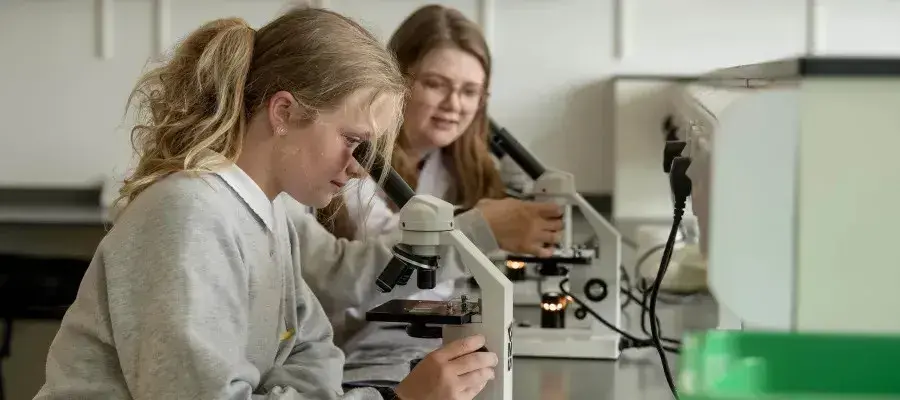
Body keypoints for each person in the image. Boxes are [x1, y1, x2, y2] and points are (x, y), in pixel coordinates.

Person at [34, 8, 499, 400]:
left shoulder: (270, 213)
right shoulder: (188, 215)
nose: (360, 168)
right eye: (354, 141)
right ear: (284, 113)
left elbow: (313, 353)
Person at [304, 3, 563, 385]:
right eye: (436, 84)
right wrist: (481, 228)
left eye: (469, 92)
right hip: (347, 355)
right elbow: (367, 273)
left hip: (411, 344)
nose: (454, 105)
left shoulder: (459, 164)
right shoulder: (351, 164)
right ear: (397, 81)